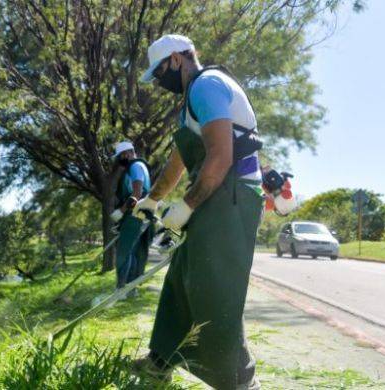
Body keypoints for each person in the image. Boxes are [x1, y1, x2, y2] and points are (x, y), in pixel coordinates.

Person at [133, 34, 263, 390]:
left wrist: (187, 206)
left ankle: (238, 382)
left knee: (215, 292)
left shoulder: (207, 86)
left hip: (232, 196)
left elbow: (220, 156)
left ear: (176, 60)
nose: (159, 83)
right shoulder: (193, 99)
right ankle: (161, 360)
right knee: (180, 280)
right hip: (216, 193)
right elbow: (181, 158)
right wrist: (154, 199)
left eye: (159, 73)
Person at [109, 141, 153, 296]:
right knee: (133, 252)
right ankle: (131, 289)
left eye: (120, 156)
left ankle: (121, 289)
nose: (120, 159)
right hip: (140, 213)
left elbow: (137, 193)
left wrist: (121, 212)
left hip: (134, 214)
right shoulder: (141, 167)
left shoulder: (135, 167)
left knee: (124, 252)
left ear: (127, 153)